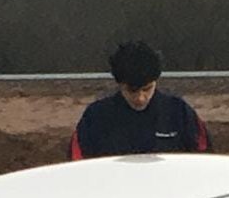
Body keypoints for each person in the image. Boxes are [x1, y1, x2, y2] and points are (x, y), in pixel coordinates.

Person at [69, 40, 212, 159]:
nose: (140, 98)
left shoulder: (179, 112)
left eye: (147, 89)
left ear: (156, 81)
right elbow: (77, 164)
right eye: (132, 91)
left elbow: (203, 159)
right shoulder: (95, 117)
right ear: (120, 84)